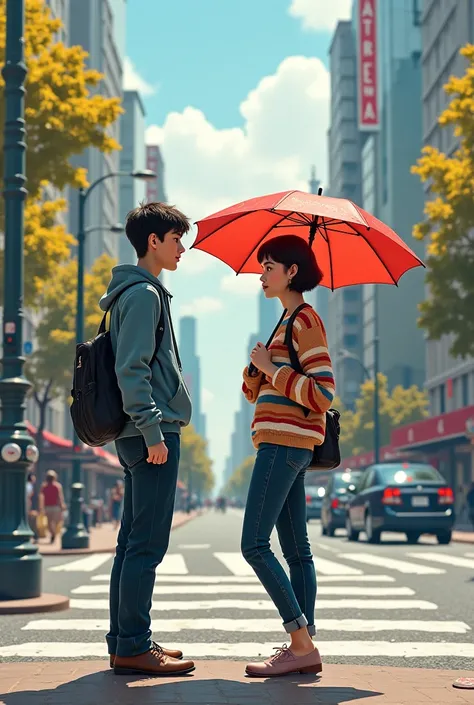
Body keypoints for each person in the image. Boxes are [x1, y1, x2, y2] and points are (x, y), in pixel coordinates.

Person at [100, 202, 195, 677]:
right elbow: (130, 369)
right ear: (153, 241)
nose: (183, 247)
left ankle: (126, 640)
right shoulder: (144, 295)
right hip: (150, 435)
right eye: (177, 238)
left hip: (137, 432)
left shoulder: (132, 294)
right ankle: (134, 646)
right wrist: (156, 429)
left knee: (130, 544)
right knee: (146, 545)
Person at [240, 234, 335, 678]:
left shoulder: (304, 320)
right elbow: (256, 395)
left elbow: (322, 392)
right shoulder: (284, 322)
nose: (262, 273)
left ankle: (299, 640)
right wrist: (256, 368)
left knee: (254, 545)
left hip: (285, 444)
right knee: (297, 551)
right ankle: (305, 645)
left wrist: (272, 368)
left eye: (269, 265)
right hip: (283, 442)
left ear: (291, 271)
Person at [39, 470, 66, 544]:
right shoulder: (45, 486)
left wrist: (62, 505)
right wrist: (41, 507)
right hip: (50, 507)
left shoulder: (56, 486)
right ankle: (53, 534)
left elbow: (59, 497)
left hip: (54, 507)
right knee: (50, 523)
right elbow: (42, 497)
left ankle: (53, 534)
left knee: (54, 523)